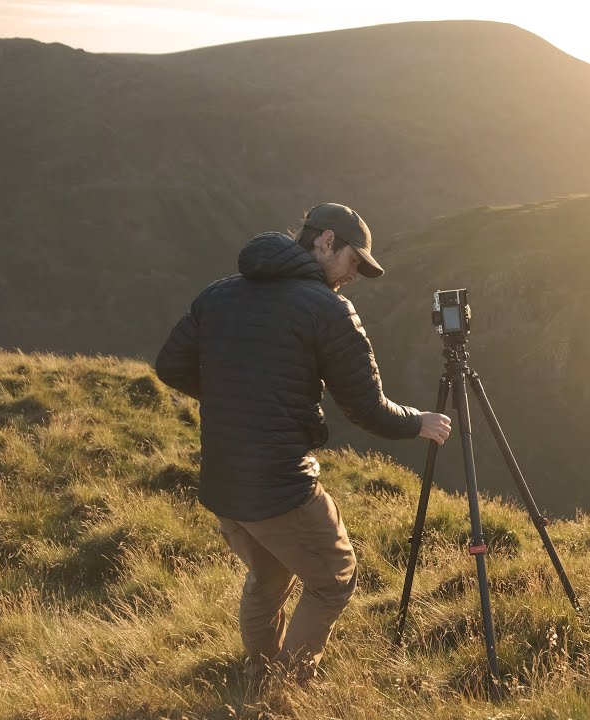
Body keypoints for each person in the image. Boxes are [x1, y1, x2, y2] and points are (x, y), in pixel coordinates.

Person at [154, 202, 452, 687]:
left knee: (269, 577)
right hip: (278, 483)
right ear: (326, 241)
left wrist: (237, 397)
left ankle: (260, 673)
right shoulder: (327, 309)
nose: (354, 274)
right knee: (335, 577)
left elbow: (171, 365)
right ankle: (289, 687)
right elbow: (366, 408)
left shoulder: (219, 295)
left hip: (224, 481)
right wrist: (417, 421)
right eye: (353, 260)